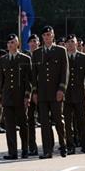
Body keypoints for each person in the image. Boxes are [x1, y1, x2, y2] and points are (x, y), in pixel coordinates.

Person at [31, 26, 69, 158]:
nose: (47, 37)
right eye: (45, 35)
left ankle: (63, 145)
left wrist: (61, 89)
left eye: (49, 34)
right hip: (42, 93)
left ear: (53, 36)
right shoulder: (37, 53)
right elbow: (34, 75)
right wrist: (34, 92)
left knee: (58, 120)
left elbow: (65, 72)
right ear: (42, 37)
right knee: (45, 123)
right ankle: (48, 150)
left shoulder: (60, 50)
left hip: (56, 92)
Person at [0, 34, 33, 159]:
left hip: (20, 97)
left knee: (23, 124)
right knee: (9, 126)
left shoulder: (24, 59)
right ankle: (12, 152)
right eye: (9, 43)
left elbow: (29, 80)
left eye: (13, 42)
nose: (10, 45)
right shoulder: (3, 60)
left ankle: (25, 149)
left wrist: (27, 96)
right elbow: (1, 80)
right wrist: (0, 96)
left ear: (17, 44)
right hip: (8, 97)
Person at [64, 35, 85, 154]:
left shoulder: (84, 58)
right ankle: (70, 145)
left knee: (83, 121)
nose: (70, 44)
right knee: (67, 122)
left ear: (77, 44)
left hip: (80, 94)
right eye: (68, 42)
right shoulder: (63, 57)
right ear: (65, 45)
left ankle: (84, 143)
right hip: (66, 95)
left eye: (73, 42)